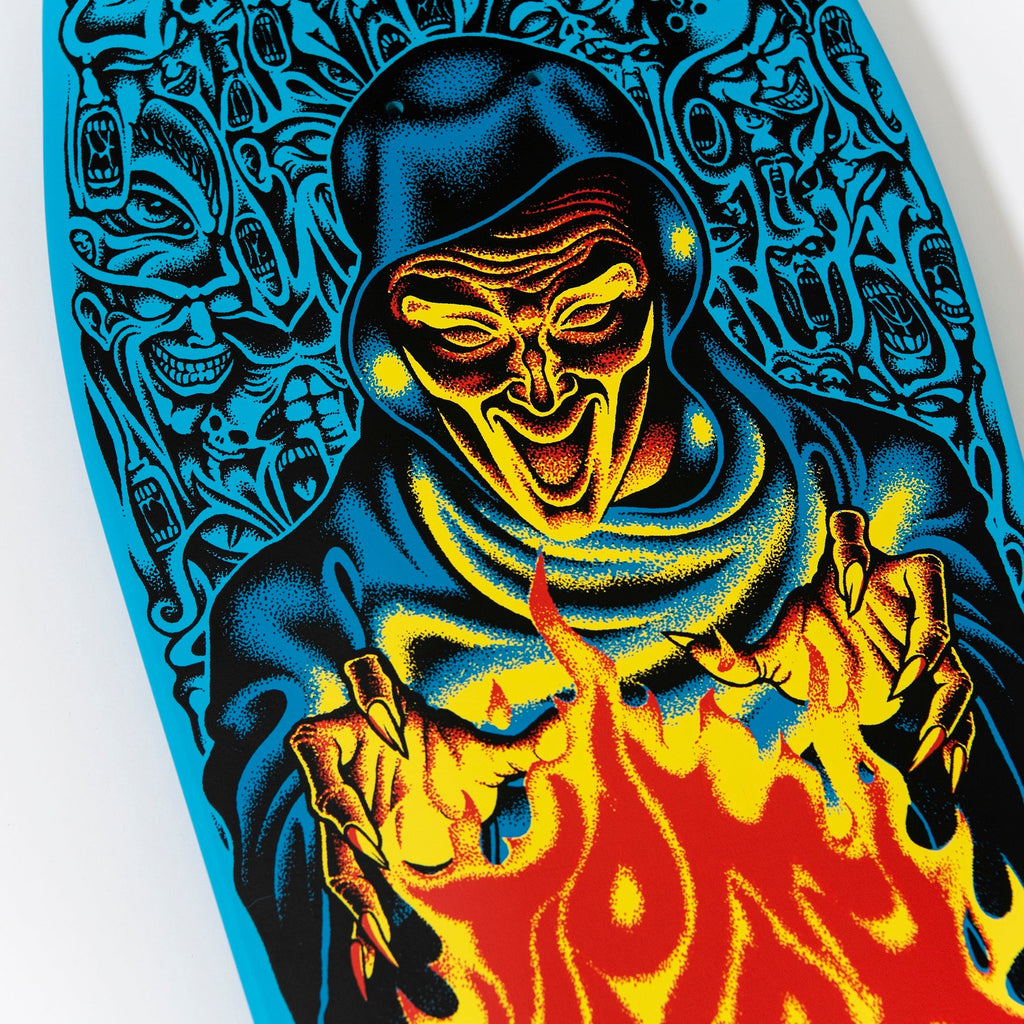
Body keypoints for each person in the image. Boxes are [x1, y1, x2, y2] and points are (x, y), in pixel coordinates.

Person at [205, 35, 1024, 1022]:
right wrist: (383, 869)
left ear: (664, 275)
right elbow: (311, 976)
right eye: (464, 332)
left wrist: (912, 712)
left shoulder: (874, 497)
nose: (538, 383)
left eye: (586, 308)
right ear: (392, 354)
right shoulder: (305, 625)